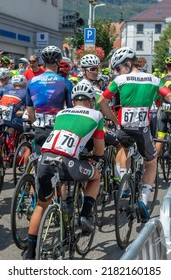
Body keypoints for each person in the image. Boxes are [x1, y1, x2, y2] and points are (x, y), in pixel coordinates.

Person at [23, 81, 105, 259]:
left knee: (41, 204)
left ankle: (30, 253)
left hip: (45, 160)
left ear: (73, 101)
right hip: (68, 162)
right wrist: (95, 156)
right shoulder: (97, 115)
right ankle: (84, 215)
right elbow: (99, 150)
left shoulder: (61, 112)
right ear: (92, 100)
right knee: (95, 176)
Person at [98, 46, 171, 221]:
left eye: (117, 68)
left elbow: (101, 101)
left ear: (128, 63)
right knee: (151, 162)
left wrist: (115, 120)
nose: (116, 72)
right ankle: (143, 200)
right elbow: (168, 97)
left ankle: (124, 181)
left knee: (124, 148)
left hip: (123, 129)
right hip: (142, 129)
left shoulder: (120, 80)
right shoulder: (154, 79)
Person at [26, 45, 72, 156]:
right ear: (59, 62)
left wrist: (35, 123)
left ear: (44, 62)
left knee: (39, 162)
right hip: (57, 129)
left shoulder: (31, 81)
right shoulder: (66, 83)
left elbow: (29, 110)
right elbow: (70, 110)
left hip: (39, 128)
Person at [156, 56, 171, 156]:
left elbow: (157, 99)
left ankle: (155, 163)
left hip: (164, 112)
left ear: (166, 67)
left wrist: (159, 107)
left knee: (160, 138)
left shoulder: (161, 80)